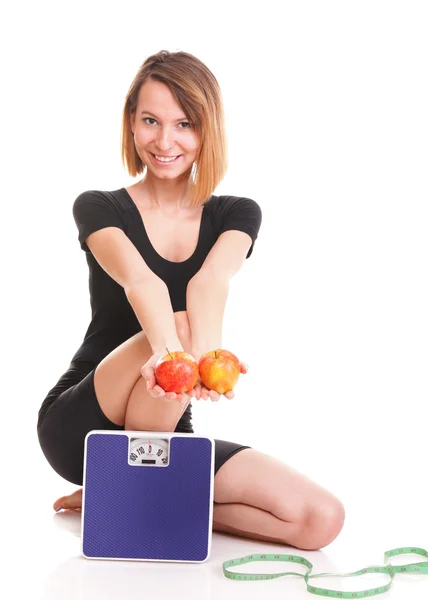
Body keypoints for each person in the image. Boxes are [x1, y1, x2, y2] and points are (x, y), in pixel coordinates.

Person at [37, 50, 345, 550]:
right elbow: (142, 283)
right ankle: (122, 482)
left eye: (184, 124)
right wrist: (175, 356)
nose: (165, 140)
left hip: (167, 421)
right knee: (177, 328)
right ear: (131, 124)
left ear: (207, 132)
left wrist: (207, 362)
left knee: (319, 519)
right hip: (86, 419)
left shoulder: (237, 213)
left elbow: (209, 283)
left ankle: (126, 492)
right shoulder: (98, 206)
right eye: (151, 121)